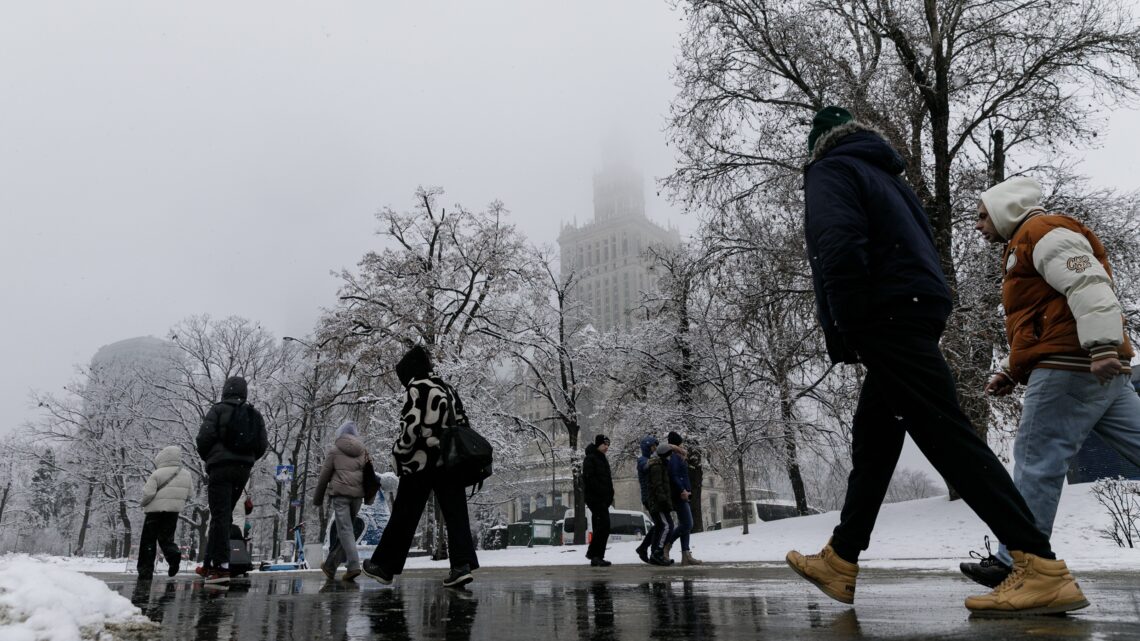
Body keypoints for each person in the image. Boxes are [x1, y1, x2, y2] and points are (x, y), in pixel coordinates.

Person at [787, 106, 1087, 615]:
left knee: (947, 436)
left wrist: (846, 324)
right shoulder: (888, 179)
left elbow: (837, 245)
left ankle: (1040, 565)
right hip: (914, 307)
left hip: (884, 313)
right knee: (876, 440)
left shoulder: (831, 169)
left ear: (818, 144)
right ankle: (841, 558)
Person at [959, 176, 1140, 588]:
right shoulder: (1028, 241)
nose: (977, 224)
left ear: (1006, 209)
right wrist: (1013, 369)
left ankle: (1018, 563)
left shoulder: (1043, 232)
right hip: (1090, 367)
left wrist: (1102, 346)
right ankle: (1017, 559)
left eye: (982, 215)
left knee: (1036, 461)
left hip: (1071, 369)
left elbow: (1088, 285)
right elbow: (1044, 319)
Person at [362, 345, 479, 588]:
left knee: (405, 514)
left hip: (421, 461)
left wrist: (398, 452)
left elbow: (411, 429)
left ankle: (384, 566)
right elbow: (463, 422)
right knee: (456, 513)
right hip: (449, 460)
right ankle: (461, 566)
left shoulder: (417, 388)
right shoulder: (448, 389)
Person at [195, 376, 269, 584]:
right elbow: (262, 445)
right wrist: (247, 459)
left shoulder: (218, 410)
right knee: (224, 515)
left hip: (220, 468)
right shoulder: (253, 413)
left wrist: (210, 458)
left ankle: (221, 566)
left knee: (219, 516)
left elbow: (203, 438)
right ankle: (210, 562)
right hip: (242, 470)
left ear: (225, 390)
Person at [314, 420, 372, 582]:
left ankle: (353, 565)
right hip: (357, 498)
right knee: (345, 532)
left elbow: (324, 476)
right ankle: (330, 566)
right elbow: (370, 476)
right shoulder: (363, 452)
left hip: (341, 496)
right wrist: (369, 498)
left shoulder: (334, 451)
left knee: (345, 531)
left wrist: (318, 499)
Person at [137, 445, 192, 580]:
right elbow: (190, 494)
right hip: (172, 512)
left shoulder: (157, 473)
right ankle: (174, 556)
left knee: (148, 541)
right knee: (166, 539)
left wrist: (142, 503)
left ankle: (146, 570)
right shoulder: (186, 474)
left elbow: (148, 493)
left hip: (154, 512)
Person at [663, 431, 702, 566]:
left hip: (683, 494)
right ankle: (667, 545)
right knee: (688, 524)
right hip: (679, 495)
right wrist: (683, 490)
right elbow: (674, 475)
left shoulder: (679, 456)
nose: (683, 445)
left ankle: (686, 555)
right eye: (681, 443)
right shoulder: (674, 457)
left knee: (684, 525)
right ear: (677, 443)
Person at [582, 434, 614, 567]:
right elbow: (590, 479)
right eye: (604, 444)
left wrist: (610, 494)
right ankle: (594, 554)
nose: (606, 447)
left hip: (603, 499)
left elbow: (607, 479)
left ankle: (597, 556)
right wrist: (601, 493)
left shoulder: (602, 459)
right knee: (604, 526)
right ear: (598, 444)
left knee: (600, 526)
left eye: (608, 445)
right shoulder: (590, 459)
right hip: (596, 499)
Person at [645, 443, 675, 566]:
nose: (670, 457)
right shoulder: (657, 466)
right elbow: (657, 485)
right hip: (658, 503)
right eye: (669, 455)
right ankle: (658, 552)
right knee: (666, 526)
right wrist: (663, 500)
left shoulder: (661, 465)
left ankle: (658, 552)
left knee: (668, 526)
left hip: (660, 502)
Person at [634, 434, 660, 564]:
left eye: (656, 446)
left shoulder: (649, 459)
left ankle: (644, 548)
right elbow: (645, 466)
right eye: (653, 447)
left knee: (659, 524)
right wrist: (657, 460)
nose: (655, 449)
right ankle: (648, 550)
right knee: (660, 524)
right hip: (648, 497)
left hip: (651, 497)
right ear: (647, 447)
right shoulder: (642, 460)